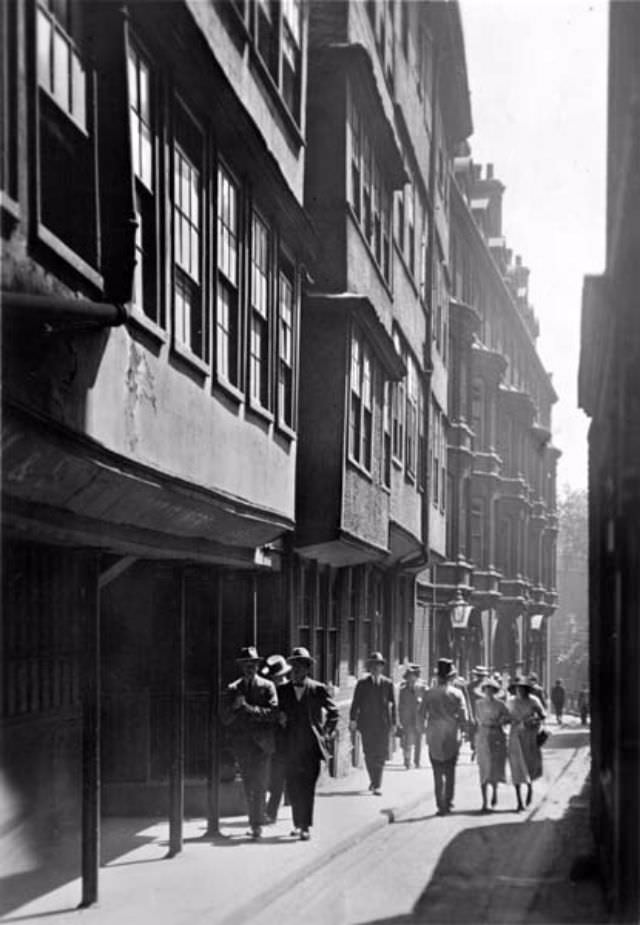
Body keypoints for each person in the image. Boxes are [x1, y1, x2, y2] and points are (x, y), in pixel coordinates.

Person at [278, 647, 338, 841]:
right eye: (293, 666)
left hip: (311, 748)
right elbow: (275, 713)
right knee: (293, 787)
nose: (296, 670)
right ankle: (297, 824)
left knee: (307, 788)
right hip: (290, 748)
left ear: (307, 669)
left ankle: (305, 826)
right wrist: (279, 719)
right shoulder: (283, 691)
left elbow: (333, 712)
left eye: (300, 666)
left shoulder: (317, 689)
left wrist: (326, 733)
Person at [220, 646, 278, 839]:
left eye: (252, 665)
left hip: (263, 746)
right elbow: (225, 719)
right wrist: (236, 708)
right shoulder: (233, 689)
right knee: (249, 785)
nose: (249, 668)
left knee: (260, 784)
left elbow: (273, 714)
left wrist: (249, 709)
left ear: (258, 665)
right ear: (241, 667)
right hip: (243, 745)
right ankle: (255, 820)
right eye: (246, 665)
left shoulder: (268, 686)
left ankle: (256, 825)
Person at [423, 658, 468, 816]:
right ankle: (448, 802)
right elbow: (464, 717)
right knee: (450, 771)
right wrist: (463, 732)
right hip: (451, 735)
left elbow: (420, 714)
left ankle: (439, 804)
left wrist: (423, 731)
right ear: (450, 677)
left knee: (437, 771)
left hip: (434, 735)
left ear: (438, 677)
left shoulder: (429, 693)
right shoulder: (457, 694)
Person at [349, 652, 396, 795]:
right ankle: (373, 780)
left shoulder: (388, 684)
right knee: (369, 753)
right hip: (367, 725)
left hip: (383, 725)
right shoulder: (362, 684)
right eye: (373, 666)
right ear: (369, 668)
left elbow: (394, 704)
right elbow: (355, 703)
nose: (376, 668)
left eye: (378, 665)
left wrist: (394, 724)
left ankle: (377, 784)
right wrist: (352, 720)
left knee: (381, 754)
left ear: (382, 667)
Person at [506, 675, 546, 812]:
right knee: (516, 768)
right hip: (515, 737)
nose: (520, 691)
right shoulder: (510, 702)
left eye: (523, 689)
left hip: (529, 736)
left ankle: (529, 788)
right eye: (518, 689)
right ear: (514, 689)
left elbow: (543, 715)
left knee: (529, 765)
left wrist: (533, 718)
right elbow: (505, 717)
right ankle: (519, 802)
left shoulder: (533, 700)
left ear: (527, 689)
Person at [261, 654, 292, 824]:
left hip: (287, 739)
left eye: (281, 677)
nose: (280, 680)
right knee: (276, 776)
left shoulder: (289, 691)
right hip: (272, 739)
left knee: (280, 777)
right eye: (277, 678)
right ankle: (272, 810)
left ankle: (272, 812)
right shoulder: (269, 692)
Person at [475, 676, 511, 812]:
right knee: (483, 767)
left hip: (497, 736)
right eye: (486, 689)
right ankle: (484, 802)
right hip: (483, 736)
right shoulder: (478, 704)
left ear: (495, 691)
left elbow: (508, 717)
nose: (488, 692)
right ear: (483, 690)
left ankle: (495, 791)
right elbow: (476, 721)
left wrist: (501, 721)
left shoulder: (501, 704)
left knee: (495, 767)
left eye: (491, 690)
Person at [397, 664, 426, 769]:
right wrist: (399, 719)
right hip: (407, 718)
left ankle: (417, 762)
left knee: (418, 741)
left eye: (413, 676)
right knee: (407, 740)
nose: (411, 678)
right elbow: (400, 705)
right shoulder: (403, 690)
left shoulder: (422, 688)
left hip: (419, 718)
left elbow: (426, 703)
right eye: (409, 676)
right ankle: (407, 761)